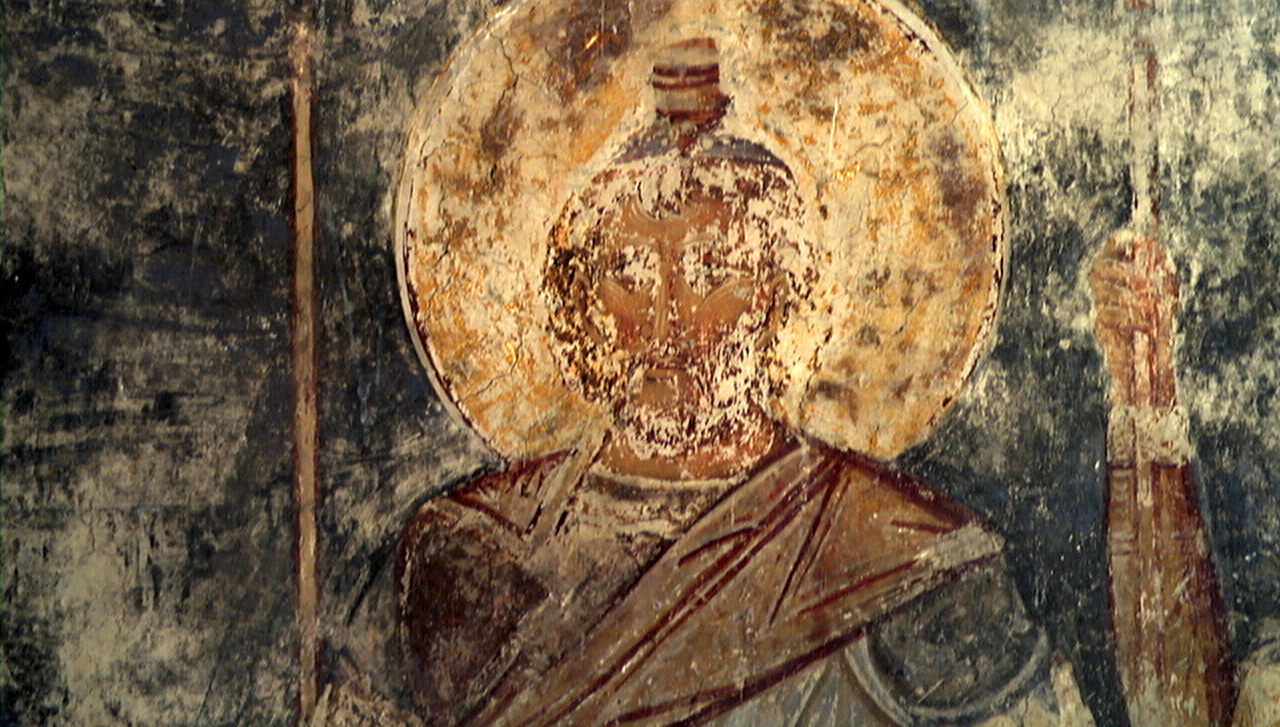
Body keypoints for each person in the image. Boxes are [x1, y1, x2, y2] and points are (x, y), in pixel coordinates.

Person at [318, 40, 1094, 727]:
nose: (671, 321)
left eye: (714, 271)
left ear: (778, 296)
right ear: (582, 305)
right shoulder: (463, 552)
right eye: (629, 272)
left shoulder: (899, 556)